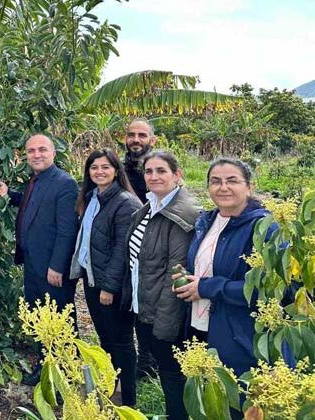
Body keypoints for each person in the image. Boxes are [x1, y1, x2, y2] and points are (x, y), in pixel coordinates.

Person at [0, 133, 80, 386]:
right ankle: (47, 366)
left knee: (58, 318)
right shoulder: (38, 180)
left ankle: (64, 371)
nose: (36, 155)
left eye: (42, 150)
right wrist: (10, 194)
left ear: (54, 153)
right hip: (33, 262)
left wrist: (57, 266)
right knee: (41, 315)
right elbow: (32, 204)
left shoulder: (64, 183)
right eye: (31, 151)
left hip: (51, 267)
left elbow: (67, 230)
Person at [121, 150, 201, 420]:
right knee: (167, 372)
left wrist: (162, 326)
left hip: (165, 316)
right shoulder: (149, 207)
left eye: (161, 171)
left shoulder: (181, 214)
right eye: (149, 171)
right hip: (146, 308)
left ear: (177, 175)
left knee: (172, 374)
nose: (153, 176)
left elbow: (175, 273)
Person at [173, 158, 271, 378]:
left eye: (232, 181)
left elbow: (272, 290)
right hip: (201, 328)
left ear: (249, 186)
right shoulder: (207, 221)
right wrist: (188, 279)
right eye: (215, 181)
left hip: (240, 338)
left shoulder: (264, 228)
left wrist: (208, 287)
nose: (223, 187)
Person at [69, 148, 141, 406]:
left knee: (121, 342)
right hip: (92, 279)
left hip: (114, 286)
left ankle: (129, 400)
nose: (99, 172)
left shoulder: (125, 202)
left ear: (116, 171)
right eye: (94, 167)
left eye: (105, 167)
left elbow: (123, 249)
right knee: (106, 339)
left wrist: (109, 287)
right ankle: (112, 390)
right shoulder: (92, 198)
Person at [122, 118, 158, 379]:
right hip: (125, 246)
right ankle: (135, 360)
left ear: (152, 140)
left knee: (148, 309)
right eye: (132, 135)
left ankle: (149, 363)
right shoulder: (121, 169)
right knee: (130, 305)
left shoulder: (157, 169)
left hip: (153, 247)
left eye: (142, 135)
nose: (136, 139)